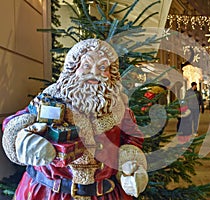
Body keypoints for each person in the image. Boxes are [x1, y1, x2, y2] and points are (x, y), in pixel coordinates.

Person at [2, 39, 148, 199]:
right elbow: (17, 123)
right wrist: (23, 141)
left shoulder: (119, 109)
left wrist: (131, 165)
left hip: (104, 193)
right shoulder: (49, 99)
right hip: (49, 192)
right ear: (73, 68)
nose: (94, 72)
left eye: (102, 67)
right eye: (86, 65)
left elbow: (132, 139)